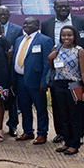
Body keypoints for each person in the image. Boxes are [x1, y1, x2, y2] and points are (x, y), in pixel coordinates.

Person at [41, 0, 84, 144]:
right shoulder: (46, 24)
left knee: (79, 107)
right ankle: (62, 133)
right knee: (59, 106)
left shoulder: (82, 22)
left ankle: (79, 134)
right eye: (60, 6)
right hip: (57, 75)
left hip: (78, 75)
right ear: (54, 7)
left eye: (66, 6)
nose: (63, 8)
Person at [48, 26, 84, 156]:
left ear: (74, 36)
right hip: (59, 85)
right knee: (63, 115)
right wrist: (50, 58)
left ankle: (74, 144)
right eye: (63, 35)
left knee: (75, 116)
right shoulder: (57, 48)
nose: (66, 38)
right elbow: (52, 67)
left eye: (69, 35)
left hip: (75, 85)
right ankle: (66, 142)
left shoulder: (79, 51)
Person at [11, 16, 53, 144]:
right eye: (24, 24)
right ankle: (28, 131)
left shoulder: (45, 40)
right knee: (24, 107)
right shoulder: (19, 39)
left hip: (36, 80)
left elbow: (47, 63)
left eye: (29, 24)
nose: (25, 26)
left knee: (40, 108)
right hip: (20, 79)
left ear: (36, 25)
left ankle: (42, 133)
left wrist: (44, 82)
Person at [0, 6, 23, 136]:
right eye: (0, 13)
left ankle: (12, 125)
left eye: (5, 13)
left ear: (9, 15)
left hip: (11, 69)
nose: (2, 16)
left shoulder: (17, 30)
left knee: (12, 98)